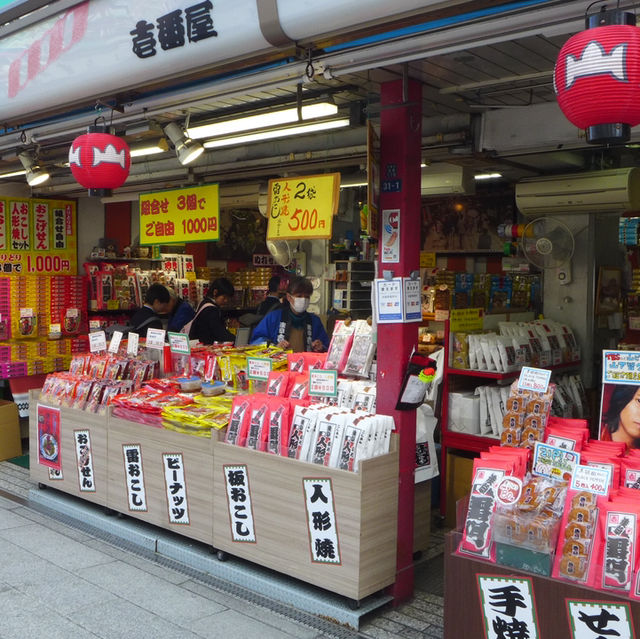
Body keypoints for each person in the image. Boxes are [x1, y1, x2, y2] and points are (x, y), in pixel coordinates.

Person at [250, 276, 328, 352]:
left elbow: (327, 346)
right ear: (289, 297)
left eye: (307, 297)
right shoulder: (273, 317)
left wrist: (321, 347)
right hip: (281, 364)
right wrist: (274, 347)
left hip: (306, 364)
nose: (303, 299)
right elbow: (256, 341)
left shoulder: (314, 321)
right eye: (299, 296)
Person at [188, 277, 236, 345]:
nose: (226, 301)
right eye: (224, 297)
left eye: (228, 298)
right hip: (203, 346)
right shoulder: (211, 310)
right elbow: (220, 333)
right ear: (215, 292)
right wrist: (236, 339)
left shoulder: (204, 302)